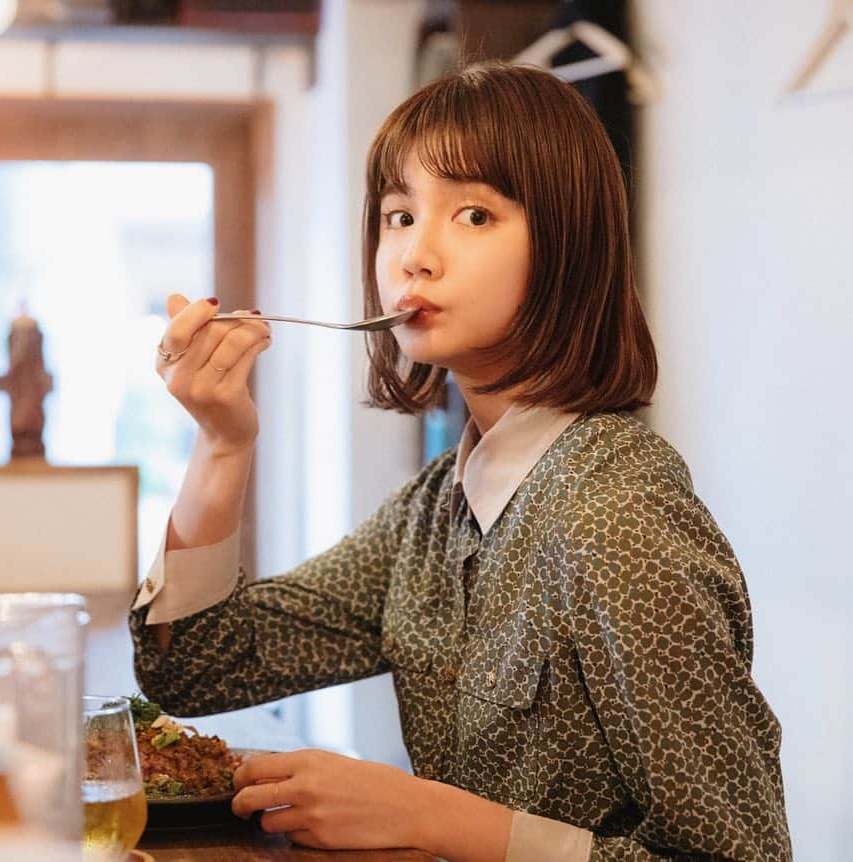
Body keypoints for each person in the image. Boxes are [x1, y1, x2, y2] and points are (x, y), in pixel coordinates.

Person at [129, 61, 792, 861]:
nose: (414, 255)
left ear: (567, 247)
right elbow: (201, 667)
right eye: (398, 215)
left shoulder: (617, 517)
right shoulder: (436, 508)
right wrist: (222, 441)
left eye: (473, 214)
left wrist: (427, 817)